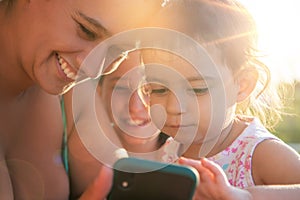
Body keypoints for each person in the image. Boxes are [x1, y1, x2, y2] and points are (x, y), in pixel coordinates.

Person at [0, 0, 163, 199]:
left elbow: (114, 177)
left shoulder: (69, 90)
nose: (93, 69)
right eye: (86, 31)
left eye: (116, 52)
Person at [140, 0, 300, 199]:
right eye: (158, 89)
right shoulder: (168, 152)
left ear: (242, 84)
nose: (174, 107)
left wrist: (245, 197)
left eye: (197, 89)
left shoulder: (258, 152)